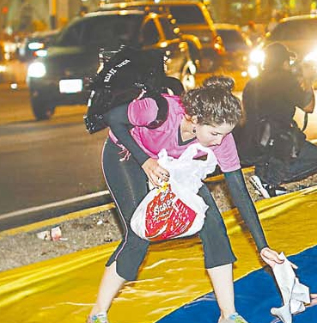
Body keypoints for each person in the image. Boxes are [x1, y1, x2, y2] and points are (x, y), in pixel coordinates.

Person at [88, 76, 283, 323]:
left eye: (225, 134)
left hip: (175, 163)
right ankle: (98, 313)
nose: (219, 141)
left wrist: (262, 245)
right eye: (214, 133)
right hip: (127, 154)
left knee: (214, 226)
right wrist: (145, 161)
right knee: (139, 234)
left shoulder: (221, 138)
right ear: (194, 119)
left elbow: (239, 193)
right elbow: (113, 119)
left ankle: (229, 314)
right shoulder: (158, 110)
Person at [240, 43, 317, 197]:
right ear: (285, 62)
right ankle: (270, 181)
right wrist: (308, 80)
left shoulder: (252, 83)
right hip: (277, 142)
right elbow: (309, 107)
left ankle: (264, 178)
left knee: (272, 142)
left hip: (250, 144)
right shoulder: (286, 80)